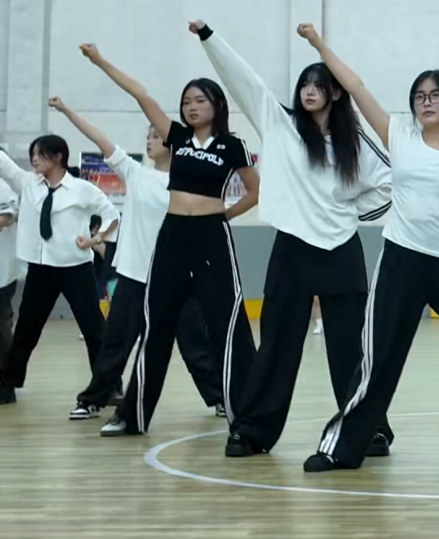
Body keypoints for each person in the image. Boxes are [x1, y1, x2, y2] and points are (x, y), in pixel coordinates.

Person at [297, 23, 439, 473]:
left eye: (435, 96)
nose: (426, 102)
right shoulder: (399, 137)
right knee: (376, 359)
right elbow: (355, 86)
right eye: (419, 96)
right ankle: (341, 447)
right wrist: (318, 44)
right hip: (401, 259)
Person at [189, 21, 396, 458]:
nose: (309, 91)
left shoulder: (354, 143)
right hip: (292, 250)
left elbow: (390, 182)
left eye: (319, 85)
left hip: (341, 249)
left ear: (335, 93)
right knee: (277, 346)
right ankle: (252, 431)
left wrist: (348, 209)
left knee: (350, 346)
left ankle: (368, 428)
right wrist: (209, 36)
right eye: (304, 85)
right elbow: (244, 79)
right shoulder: (279, 123)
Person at [78, 42, 261, 436]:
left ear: (217, 104)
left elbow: (254, 192)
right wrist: (100, 60)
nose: (192, 107)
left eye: (200, 100)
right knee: (155, 324)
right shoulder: (176, 137)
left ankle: (246, 416)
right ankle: (132, 416)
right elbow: (141, 95)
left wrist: (222, 217)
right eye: (186, 101)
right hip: (173, 235)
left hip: (212, 237)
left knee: (228, 321)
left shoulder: (233, 146)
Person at [50, 97, 226, 420]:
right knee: (116, 342)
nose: (149, 140)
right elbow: (99, 138)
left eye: (156, 136)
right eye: (148, 136)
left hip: (176, 278)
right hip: (134, 274)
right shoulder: (135, 172)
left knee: (195, 345)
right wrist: (67, 111)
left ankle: (219, 397)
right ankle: (94, 398)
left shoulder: (189, 183)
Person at [0, 134, 120, 403]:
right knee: (26, 329)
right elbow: (4, 164)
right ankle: (7, 384)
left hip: (75, 268)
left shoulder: (82, 189)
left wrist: (96, 239)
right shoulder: (28, 183)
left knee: (94, 329)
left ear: (57, 157)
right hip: (40, 269)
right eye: (32, 154)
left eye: (39, 154)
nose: (34, 160)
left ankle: (109, 385)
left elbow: (111, 214)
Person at [0, 179, 20, 405]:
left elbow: (7, 216)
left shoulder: (2, 187)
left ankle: (6, 384)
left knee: (1, 329)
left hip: (2, 274)